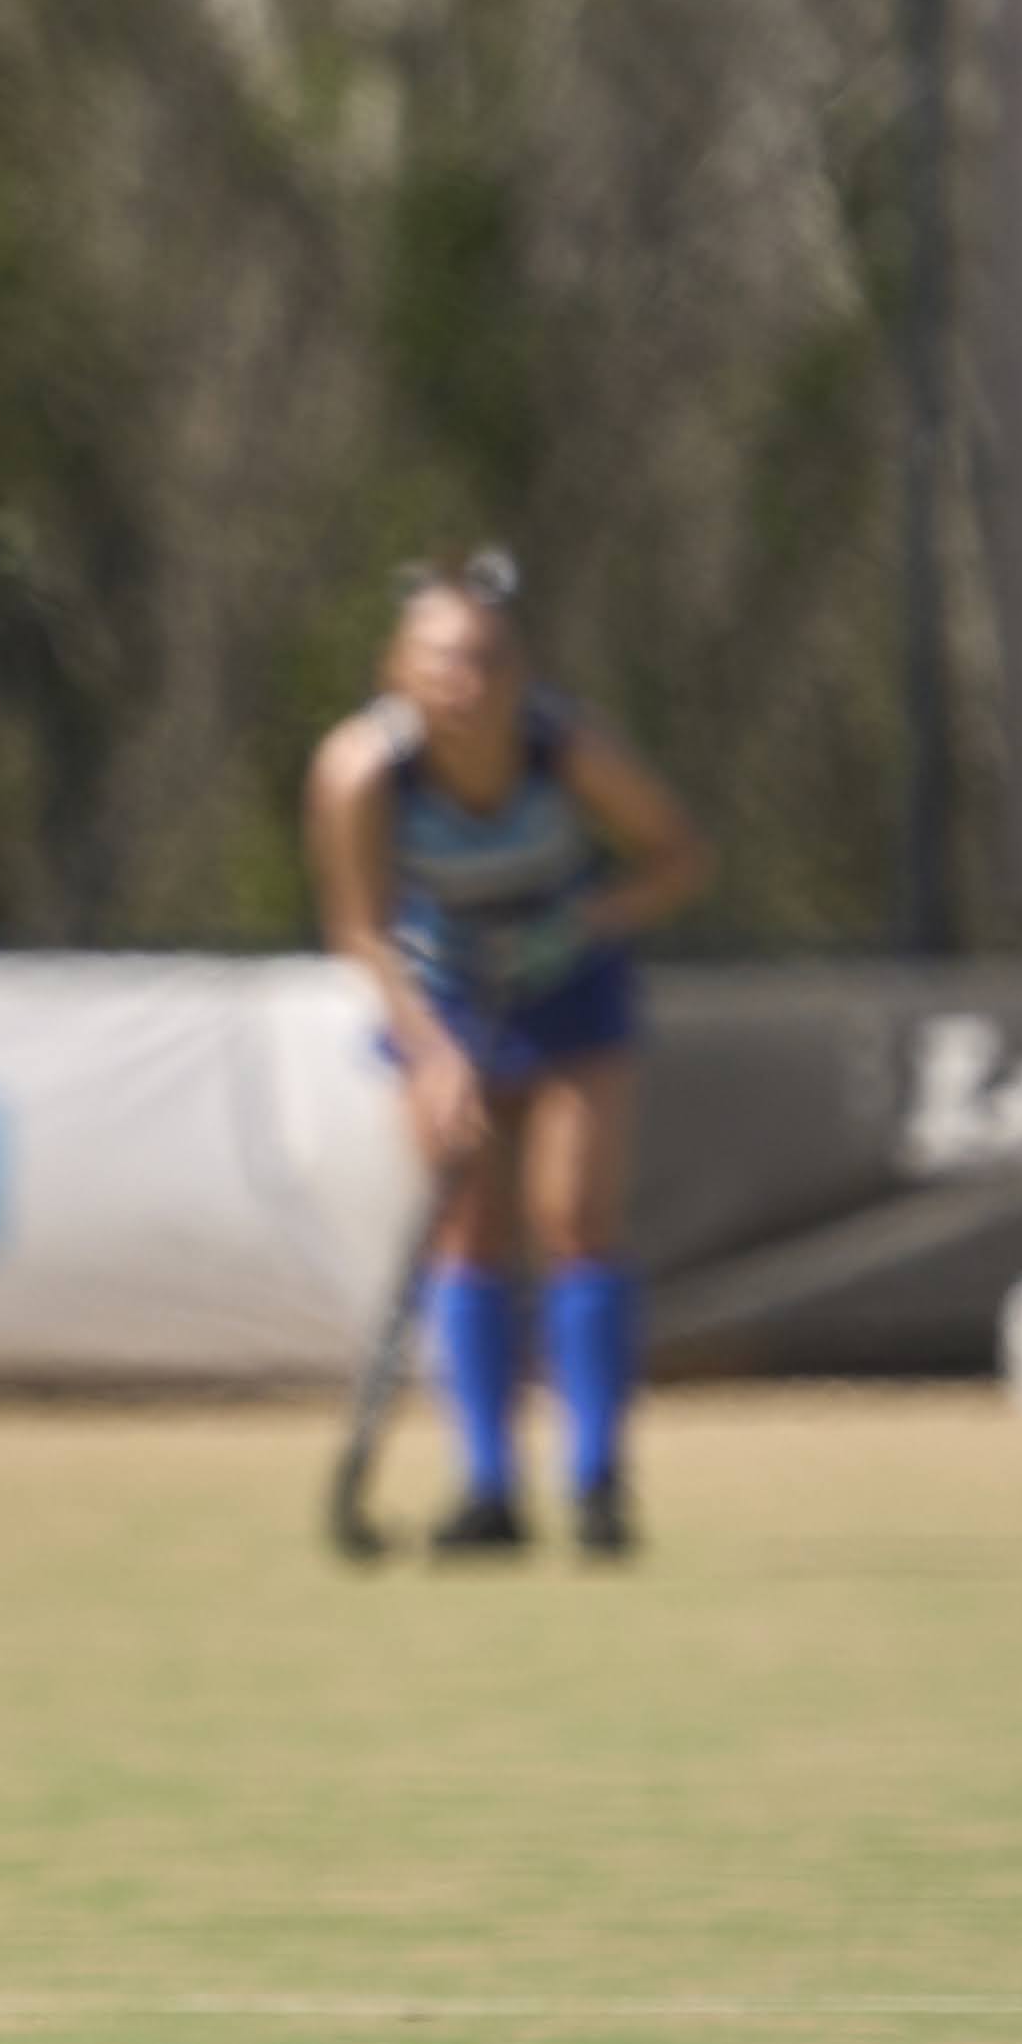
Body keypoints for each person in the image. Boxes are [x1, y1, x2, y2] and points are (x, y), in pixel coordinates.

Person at [304, 552, 715, 1558]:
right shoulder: (360, 771)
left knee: (573, 1214)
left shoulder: (567, 749)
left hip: (571, 985)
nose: (466, 681)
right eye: (442, 660)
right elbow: (359, 931)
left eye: (487, 659)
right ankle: (489, 1489)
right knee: (468, 1227)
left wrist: (588, 917)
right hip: (439, 994)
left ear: (519, 670)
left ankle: (597, 1482)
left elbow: (679, 858)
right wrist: (432, 1051)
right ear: (397, 670)